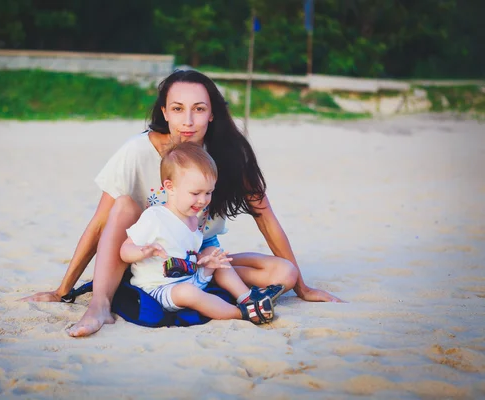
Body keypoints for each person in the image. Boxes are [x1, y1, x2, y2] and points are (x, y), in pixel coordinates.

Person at [20, 69, 343, 338]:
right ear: (164, 112)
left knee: (283, 273)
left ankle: (222, 288)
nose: (188, 121)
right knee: (124, 206)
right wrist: (64, 289)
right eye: (177, 109)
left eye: (199, 109)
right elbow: (100, 223)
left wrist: (302, 288)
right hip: (152, 256)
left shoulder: (230, 154)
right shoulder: (137, 152)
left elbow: (266, 217)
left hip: (200, 252)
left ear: (212, 112)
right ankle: (100, 305)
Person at [120, 142, 274, 325]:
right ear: (170, 187)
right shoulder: (155, 217)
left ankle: (246, 298)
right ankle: (241, 314)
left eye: (208, 192)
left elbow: (187, 254)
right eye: (195, 193)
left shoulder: (194, 219)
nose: (203, 200)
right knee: (188, 293)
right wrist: (144, 251)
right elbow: (124, 250)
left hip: (191, 278)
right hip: (160, 288)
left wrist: (206, 261)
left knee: (214, 255)